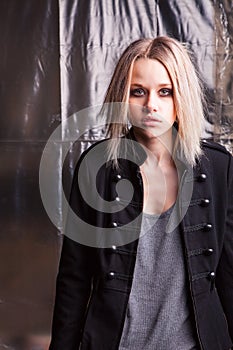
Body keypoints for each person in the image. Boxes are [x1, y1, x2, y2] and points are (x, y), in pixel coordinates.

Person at [49, 36, 233, 350]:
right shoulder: (97, 167)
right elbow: (74, 277)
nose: (151, 105)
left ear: (181, 97)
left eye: (165, 91)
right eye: (138, 92)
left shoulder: (217, 166)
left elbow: (230, 272)